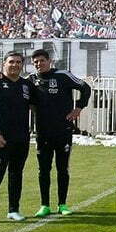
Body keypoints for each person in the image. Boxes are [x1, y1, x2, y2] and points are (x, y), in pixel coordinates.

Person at [28, 49, 92, 217]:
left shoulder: (62, 75)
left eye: (42, 60)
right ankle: (44, 205)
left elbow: (85, 87)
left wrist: (78, 107)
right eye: (35, 62)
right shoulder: (31, 80)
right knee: (43, 169)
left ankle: (62, 204)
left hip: (63, 131)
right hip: (42, 132)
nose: (39, 64)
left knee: (62, 168)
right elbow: (14, 84)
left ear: (49, 61)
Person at [0, 52, 39, 227]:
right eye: (11, 62)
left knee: (16, 174)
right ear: (4, 63)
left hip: (21, 138)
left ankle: (13, 210)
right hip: (1, 138)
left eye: (18, 62)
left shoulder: (26, 85)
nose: (15, 65)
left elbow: (36, 107)